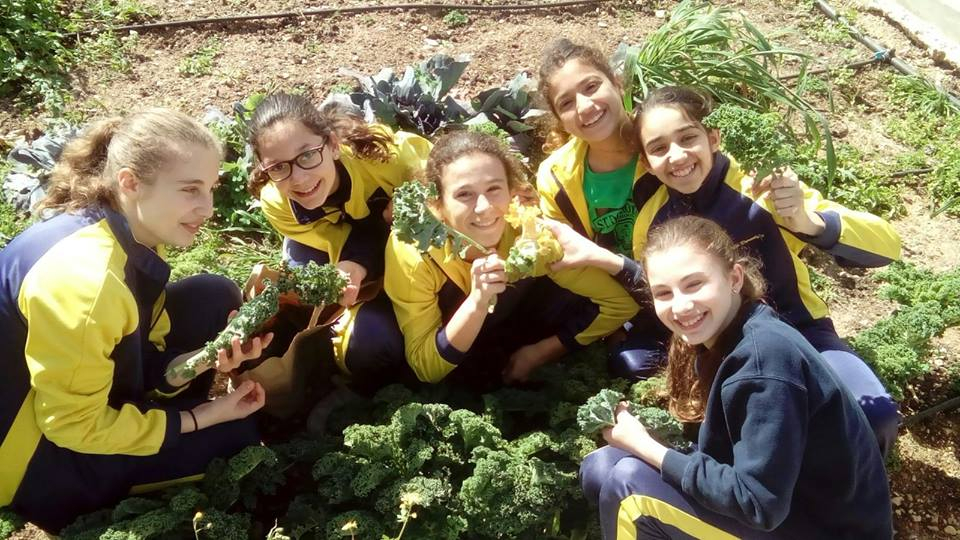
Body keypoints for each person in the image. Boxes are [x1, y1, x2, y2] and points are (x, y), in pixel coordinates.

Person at [549, 85, 901, 457]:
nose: (677, 156)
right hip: (715, 347)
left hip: (800, 334)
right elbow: (664, 293)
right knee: (635, 365)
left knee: (873, 419)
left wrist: (807, 221)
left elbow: (886, 247)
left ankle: (852, 494)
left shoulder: (760, 190)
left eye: (688, 138)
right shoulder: (653, 218)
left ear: (713, 138)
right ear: (648, 162)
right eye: (659, 148)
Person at [0, 109, 271, 532]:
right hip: (32, 453)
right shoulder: (87, 284)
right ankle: (67, 489)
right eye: (190, 190)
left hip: (65, 398)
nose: (208, 207)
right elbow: (73, 426)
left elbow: (146, 346)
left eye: (211, 189)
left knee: (212, 295)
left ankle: (157, 425)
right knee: (239, 442)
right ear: (129, 182)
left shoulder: (125, 228)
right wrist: (202, 417)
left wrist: (208, 358)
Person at [579, 216, 892, 539]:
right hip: (783, 505)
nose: (681, 306)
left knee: (628, 486)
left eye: (694, 284)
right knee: (600, 468)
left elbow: (758, 503)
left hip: (819, 526)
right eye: (664, 293)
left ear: (734, 278)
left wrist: (645, 445)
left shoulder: (763, 362)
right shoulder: (725, 333)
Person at [383, 131, 639, 389]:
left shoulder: (528, 234)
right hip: (455, 350)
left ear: (512, 191)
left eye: (494, 188)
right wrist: (477, 302)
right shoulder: (414, 251)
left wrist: (543, 351)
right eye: (464, 194)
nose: (483, 207)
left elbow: (621, 304)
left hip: (515, 331)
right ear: (438, 205)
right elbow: (425, 367)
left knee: (565, 297)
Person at [247, 93, 433, 395]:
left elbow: (446, 186)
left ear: (333, 145)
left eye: (307, 155)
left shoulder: (390, 157)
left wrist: (406, 215)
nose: (300, 178)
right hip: (333, 242)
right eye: (279, 167)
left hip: (406, 246)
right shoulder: (276, 201)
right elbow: (346, 244)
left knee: (382, 328)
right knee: (360, 337)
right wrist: (356, 265)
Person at [536, 39, 668, 379]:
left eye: (592, 86)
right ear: (560, 120)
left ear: (617, 83)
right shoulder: (556, 177)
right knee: (631, 365)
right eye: (566, 102)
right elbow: (573, 269)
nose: (584, 106)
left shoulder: (667, 145)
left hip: (685, 288)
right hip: (629, 300)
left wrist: (815, 220)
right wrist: (612, 326)